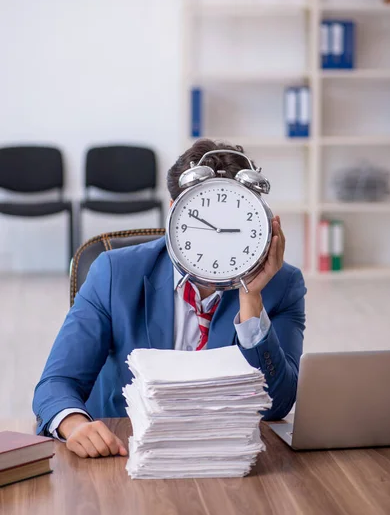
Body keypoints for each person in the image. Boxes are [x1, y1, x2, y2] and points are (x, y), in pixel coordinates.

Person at [33, 139, 306, 459]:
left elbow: (278, 405)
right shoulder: (113, 273)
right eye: (205, 218)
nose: (221, 236)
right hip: (127, 449)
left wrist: (251, 297)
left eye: (237, 221)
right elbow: (56, 384)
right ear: (176, 210)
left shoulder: (282, 284)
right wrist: (76, 425)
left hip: (222, 452)